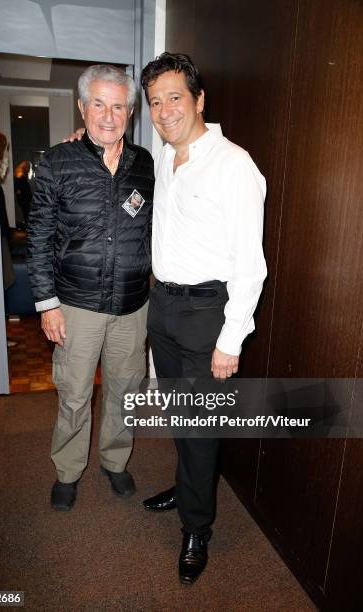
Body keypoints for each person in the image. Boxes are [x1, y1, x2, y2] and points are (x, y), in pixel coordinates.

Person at [140, 53, 267, 584]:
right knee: (179, 413)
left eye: (174, 97)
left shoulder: (233, 164)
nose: (164, 110)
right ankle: (188, 484)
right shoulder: (164, 159)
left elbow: (251, 264)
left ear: (198, 100)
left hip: (205, 313)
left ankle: (198, 528)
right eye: (155, 102)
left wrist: (230, 339)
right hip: (163, 306)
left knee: (200, 427)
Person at [26, 65, 154, 511]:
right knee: (76, 393)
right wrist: (47, 304)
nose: (108, 115)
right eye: (98, 103)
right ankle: (67, 469)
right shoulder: (55, 163)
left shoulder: (146, 165)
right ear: (82, 107)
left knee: (126, 389)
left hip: (133, 306)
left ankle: (115, 462)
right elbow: (38, 237)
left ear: (130, 112)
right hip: (75, 305)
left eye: (118, 105)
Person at [14, 160, 33, 225]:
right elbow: (18, 189)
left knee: (27, 217)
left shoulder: (23, 175)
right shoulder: (19, 176)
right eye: (28, 167)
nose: (29, 169)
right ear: (24, 167)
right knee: (26, 217)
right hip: (24, 201)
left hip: (26, 201)